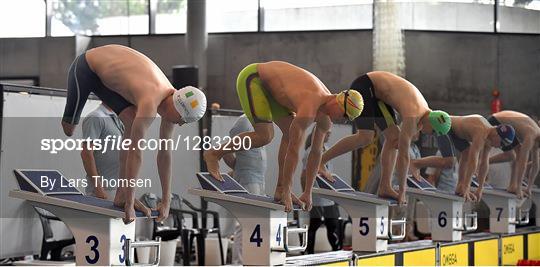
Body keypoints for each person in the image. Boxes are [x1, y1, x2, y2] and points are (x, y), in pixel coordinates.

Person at [61, 45, 207, 223]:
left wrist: (166, 200)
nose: (181, 124)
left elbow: (164, 154)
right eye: (182, 120)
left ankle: (121, 195)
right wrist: (130, 203)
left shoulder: (171, 99)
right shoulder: (149, 103)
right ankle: (125, 197)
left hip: (106, 72)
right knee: (68, 129)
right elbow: (135, 153)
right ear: (176, 108)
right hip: (85, 68)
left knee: (130, 121)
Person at [203, 61, 364, 211]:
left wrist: (308, 192)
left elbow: (316, 153)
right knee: (265, 135)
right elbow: (293, 150)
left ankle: (280, 188)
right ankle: (214, 154)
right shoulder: (310, 105)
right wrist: (289, 189)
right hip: (254, 78)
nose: (341, 120)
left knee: (287, 133)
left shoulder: (325, 120)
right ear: (338, 103)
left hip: (273, 92)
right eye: (344, 116)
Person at [319, 71, 452, 204]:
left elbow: (401, 146)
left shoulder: (423, 113)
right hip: (366, 86)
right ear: (432, 123)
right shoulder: (413, 115)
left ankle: (385, 186)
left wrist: (414, 167)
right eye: (434, 132)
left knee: (394, 138)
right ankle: (321, 161)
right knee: (365, 136)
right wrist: (402, 189)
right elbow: (404, 155)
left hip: (379, 95)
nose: (430, 134)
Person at [409, 115, 516, 201]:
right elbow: (473, 161)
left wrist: (480, 189)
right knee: (449, 162)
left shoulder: (489, 138)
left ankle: (459, 185)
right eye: (502, 143)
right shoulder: (481, 132)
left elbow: (484, 164)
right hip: (444, 123)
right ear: (497, 135)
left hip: (455, 131)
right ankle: (415, 163)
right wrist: (467, 186)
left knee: (466, 151)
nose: (500, 147)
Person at [222, 115, 267, 264]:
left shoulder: (259, 123)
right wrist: (239, 169)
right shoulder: (243, 122)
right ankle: (239, 262)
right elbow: (226, 149)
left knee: (256, 223)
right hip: (249, 180)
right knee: (246, 223)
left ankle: (252, 258)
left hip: (258, 179)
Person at [301, 130, 340, 253]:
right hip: (317, 198)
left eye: (329, 133)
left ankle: (337, 252)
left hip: (329, 198)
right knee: (314, 225)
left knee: (333, 225)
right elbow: (303, 176)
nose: (329, 134)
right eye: (327, 132)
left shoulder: (328, 149)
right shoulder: (310, 152)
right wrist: (306, 194)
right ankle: (308, 252)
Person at [487, 110, 540, 198]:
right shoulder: (531, 136)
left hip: (506, 121)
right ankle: (480, 164)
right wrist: (519, 189)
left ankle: (513, 185)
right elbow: (522, 163)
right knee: (512, 155)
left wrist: (529, 188)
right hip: (497, 120)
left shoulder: (537, 138)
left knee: (515, 154)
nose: (536, 149)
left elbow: (536, 165)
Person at [81, 103, 124, 199]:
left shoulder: (117, 118)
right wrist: (99, 190)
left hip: (117, 188)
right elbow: (86, 154)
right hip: (104, 191)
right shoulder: (95, 118)